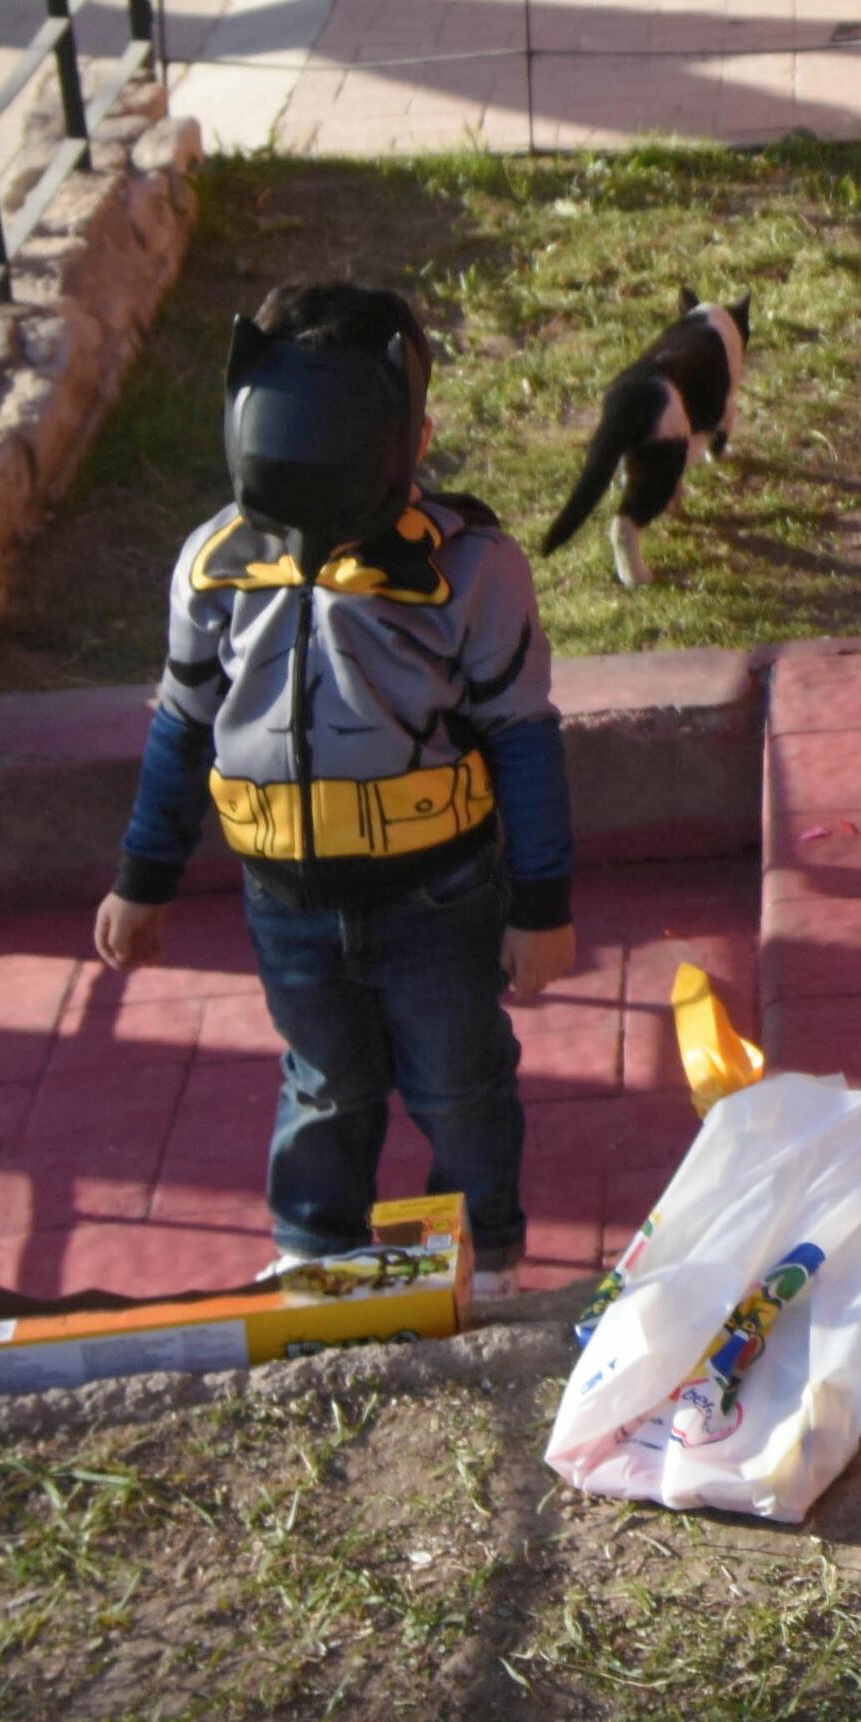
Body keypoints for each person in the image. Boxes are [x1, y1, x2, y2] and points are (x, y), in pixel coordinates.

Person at [95, 282, 582, 1285]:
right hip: (286, 901)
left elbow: (523, 737)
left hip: (435, 895)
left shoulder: (469, 567)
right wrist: (141, 878)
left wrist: (541, 904)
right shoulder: (213, 567)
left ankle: (483, 1261)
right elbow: (183, 726)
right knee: (324, 1083)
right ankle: (313, 1258)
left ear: (411, 434)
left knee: (457, 1084)